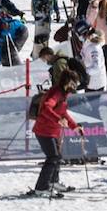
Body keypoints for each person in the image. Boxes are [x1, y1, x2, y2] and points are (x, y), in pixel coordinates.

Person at [30, 68, 82, 197]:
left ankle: (54, 182)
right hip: (44, 130)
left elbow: (63, 113)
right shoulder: (56, 92)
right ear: (67, 81)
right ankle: (41, 188)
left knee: (57, 157)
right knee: (52, 157)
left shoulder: (63, 94)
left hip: (53, 131)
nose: (75, 86)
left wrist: (75, 127)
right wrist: (58, 119)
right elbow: (46, 108)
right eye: (73, 83)